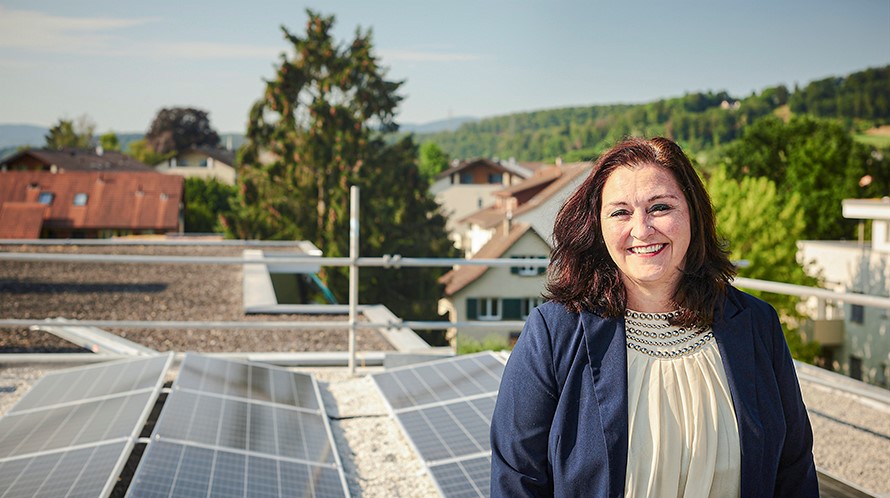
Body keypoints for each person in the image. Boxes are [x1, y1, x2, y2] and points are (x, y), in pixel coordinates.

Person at [490, 137, 818, 497]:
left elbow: (794, 471)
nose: (642, 229)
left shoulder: (757, 325)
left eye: (660, 207)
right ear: (597, 226)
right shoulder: (554, 334)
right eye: (620, 212)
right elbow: (517, 479)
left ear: (693, 213)